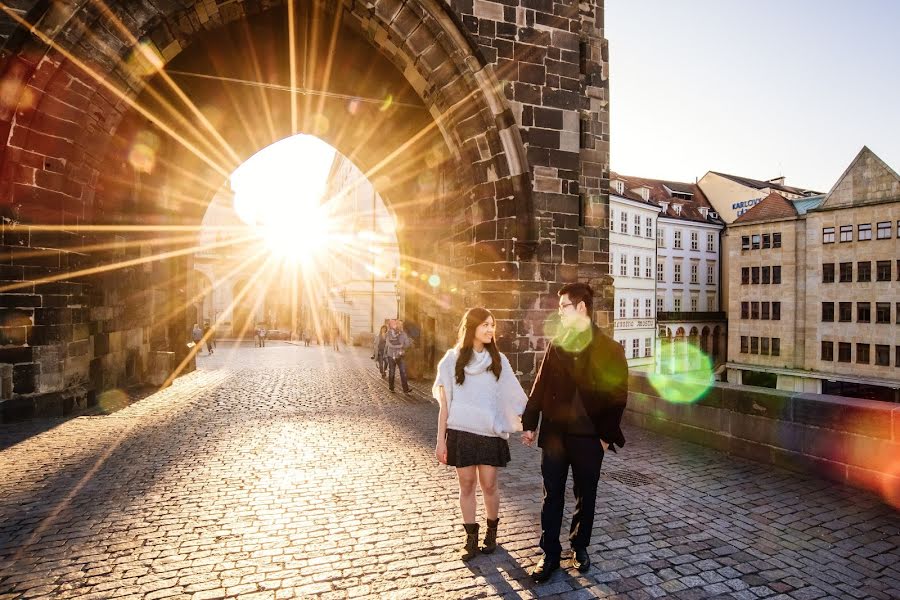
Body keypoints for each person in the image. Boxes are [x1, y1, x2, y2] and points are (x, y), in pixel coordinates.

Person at [521, 282, 629, 583]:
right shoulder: (558, 344)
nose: (559, 313)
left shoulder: (610, 348)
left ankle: (579, 547)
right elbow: (540, 385)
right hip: (555, 436)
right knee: (551, 495)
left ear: (581, 307)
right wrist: (530, 423)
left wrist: (604, 438)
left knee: (586, 495)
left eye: (563, 307)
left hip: (589, 439)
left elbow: (619, 395)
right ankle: (550, 553)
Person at [433, 307, 527, 560]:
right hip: (460, 433)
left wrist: (528, 423)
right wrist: (441, 441)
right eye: (485, 324)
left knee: (489, 485)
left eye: (492, 325)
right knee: (466, 485)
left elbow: (515, 396)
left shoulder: (499, 361)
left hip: (489, 434)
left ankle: (491, 533)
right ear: (471, 326)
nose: (490, 329)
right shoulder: (451, 361)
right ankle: (470, 539)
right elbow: (445, 406)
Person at [385, 319, 411, 393]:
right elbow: (388, 344)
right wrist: (399, 346)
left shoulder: (404, 334)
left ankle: (405, 389)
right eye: (398, 324)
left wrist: (405, 346)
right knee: (392, 371)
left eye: (401, 325)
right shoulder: (389, 333)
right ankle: (391, 387)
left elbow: (407, 344)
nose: (400, 326)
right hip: (391, 355)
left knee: (403, 372)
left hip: (400, 355)